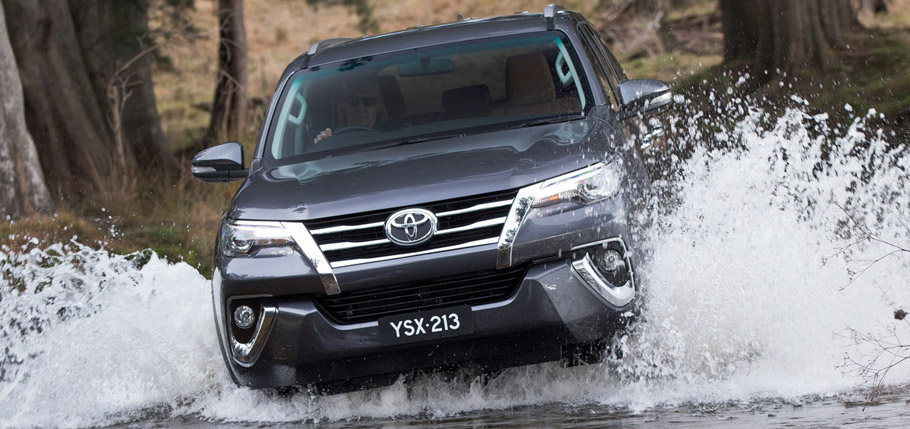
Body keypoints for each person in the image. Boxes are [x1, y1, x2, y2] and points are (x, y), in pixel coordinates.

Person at [314, 77, 383, 143]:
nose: (360, 109)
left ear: (378, 104)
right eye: (353, 101)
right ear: (344, 103)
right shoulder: (331, 138)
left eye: (368, 101)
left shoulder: (390, 135)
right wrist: (322, 144)